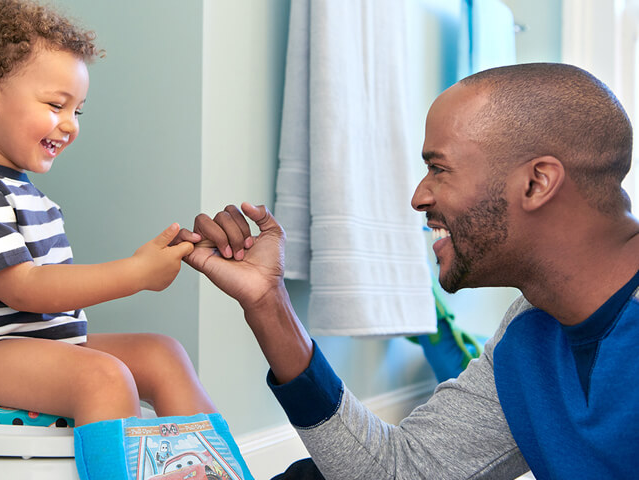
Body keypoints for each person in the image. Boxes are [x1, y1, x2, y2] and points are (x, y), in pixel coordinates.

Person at [178, 63, 639, 479]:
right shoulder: (530, 334)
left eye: (439, 168)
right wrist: (268, 303)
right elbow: (404, 472)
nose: (419, 196)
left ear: (536, 182)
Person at [0, 0, 217, 438]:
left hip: (34, 348)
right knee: (104, 377)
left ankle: (214, 469)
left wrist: (145, 264)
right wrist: (136, 273)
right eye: (57, 105)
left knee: (162, 354)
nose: (71, 124)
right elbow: (24, 287)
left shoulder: (26, 193)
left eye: (77, 111)